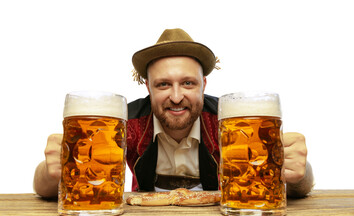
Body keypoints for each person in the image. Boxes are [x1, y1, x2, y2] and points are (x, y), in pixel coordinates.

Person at [33, 28, 314, 198]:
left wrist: (299, 174)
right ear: (148, 87)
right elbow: (43, 188)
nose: (177, 97)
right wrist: (52, 170)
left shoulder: (231, 124)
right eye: (163, 84)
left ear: (204, 85)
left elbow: (298, 185)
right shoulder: (121, 124)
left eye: (188, 83)